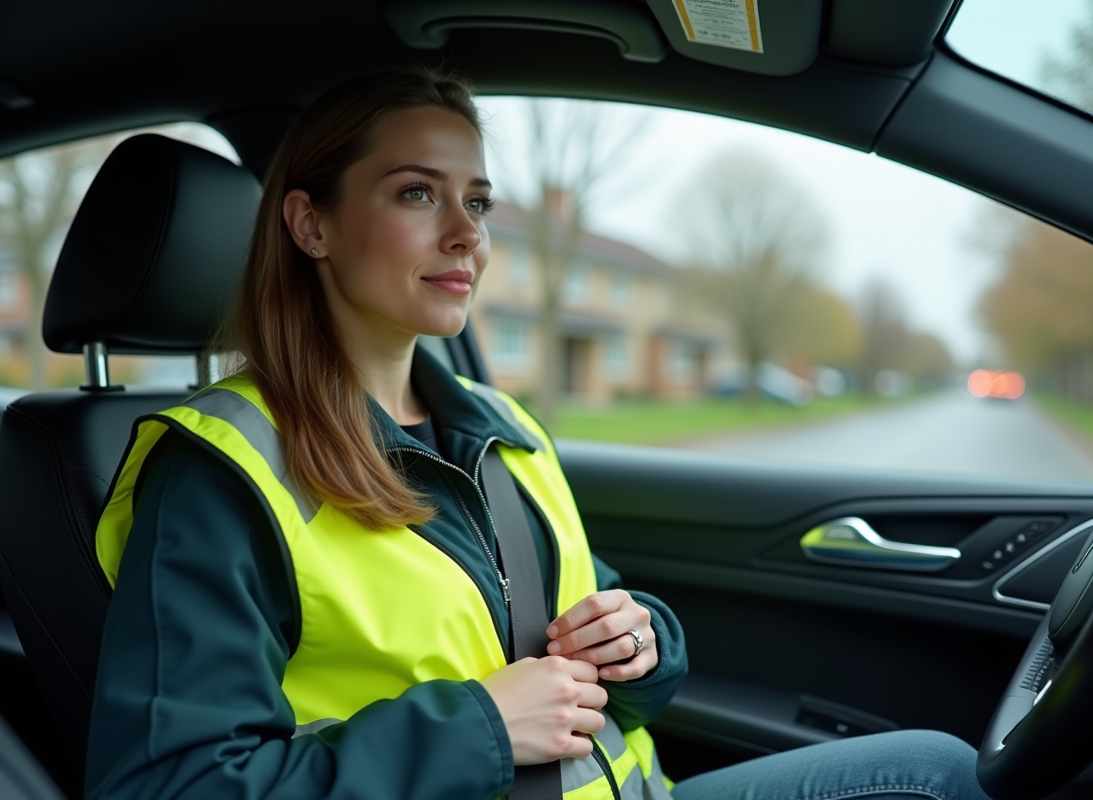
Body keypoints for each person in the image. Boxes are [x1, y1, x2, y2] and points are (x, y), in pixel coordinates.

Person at [85, 67, 993, 800]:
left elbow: (594, 636)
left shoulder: (502, 430)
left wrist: (641, 645)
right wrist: (477, 729)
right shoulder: (222, 473)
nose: (465, 237)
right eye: (416, 194)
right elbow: (169, 783)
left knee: (931, 770)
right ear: (311, 223)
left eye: (476, 203)